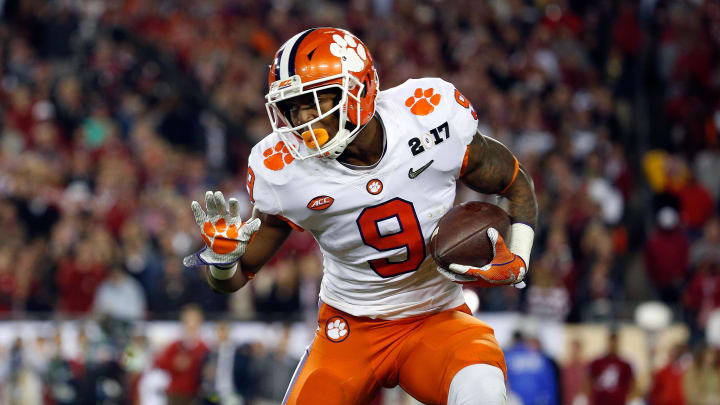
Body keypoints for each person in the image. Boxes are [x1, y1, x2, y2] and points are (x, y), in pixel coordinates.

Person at [184, 27, 538, 405]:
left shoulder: (430, 117)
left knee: (483, 391)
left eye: (314, 101)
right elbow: (233, 280)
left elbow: (516, 183)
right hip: (348, 329)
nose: (302, 121)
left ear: (358, 89)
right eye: (292, 107)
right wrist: (223, 260)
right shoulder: (283, 171)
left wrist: (519, 256)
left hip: (437, 317)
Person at [153, 304, 209, 405]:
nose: (192, 324)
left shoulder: (204, 347)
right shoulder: (175, 345)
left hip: (194, 394)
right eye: (188, 320)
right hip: (175, 394)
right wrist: (174, 363)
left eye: (195, 320)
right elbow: (159, 363)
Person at [585, 331, 637, 405]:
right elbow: (588, 382)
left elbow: (633, 385)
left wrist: (630, 399)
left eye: (615, 342)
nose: (612, 345)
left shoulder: (625, 365)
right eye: (611, 342)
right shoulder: (597, 363)